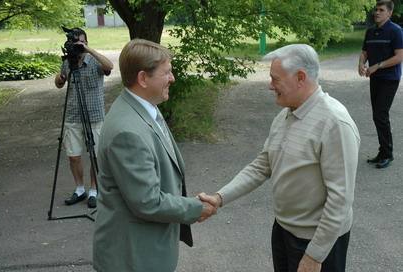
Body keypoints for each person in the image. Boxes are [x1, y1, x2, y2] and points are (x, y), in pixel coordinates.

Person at [199, 44, 360, 272]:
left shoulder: (335, 123)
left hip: (317, 242)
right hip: (284, 231)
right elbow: (261, 166)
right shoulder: (287, 114)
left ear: (300, 78)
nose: (270, 85)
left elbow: (340, 200)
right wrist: (219, 197)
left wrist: (315, 255)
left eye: (275, 79)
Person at [92, 39, 216, 272]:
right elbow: (147, 202)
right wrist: (196, 208)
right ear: (143, 79)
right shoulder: (127, 132)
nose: (173, 78)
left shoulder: (143, 107)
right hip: (133, 257)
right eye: (166, 72)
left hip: (145, 250)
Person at [54, 28, 114, 208]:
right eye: (75, 43)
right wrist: (59, 77)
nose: (78, 46)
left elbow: (109, 67)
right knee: (73, 156)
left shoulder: (94, 60)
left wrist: (88, 50)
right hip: (73, 115)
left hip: (95, 116)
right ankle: (79, 189)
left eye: (81, 42)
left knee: (96, 156)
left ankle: (94, 190)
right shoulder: (68, 62)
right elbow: (59, 84)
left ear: (86, 42)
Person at [358, 0, 403, 169]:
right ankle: (382, 151)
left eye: (381, 10)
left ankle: (387, 154)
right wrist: (361, 63)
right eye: (376, 10)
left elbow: (399, 57)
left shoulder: (396, 31)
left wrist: (377, 65)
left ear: (389, 13)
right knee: (377, 115)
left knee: (381, 115)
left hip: (390, 78)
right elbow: (365, 52)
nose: (377, 12)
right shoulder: (370, 32)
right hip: (375, 79)